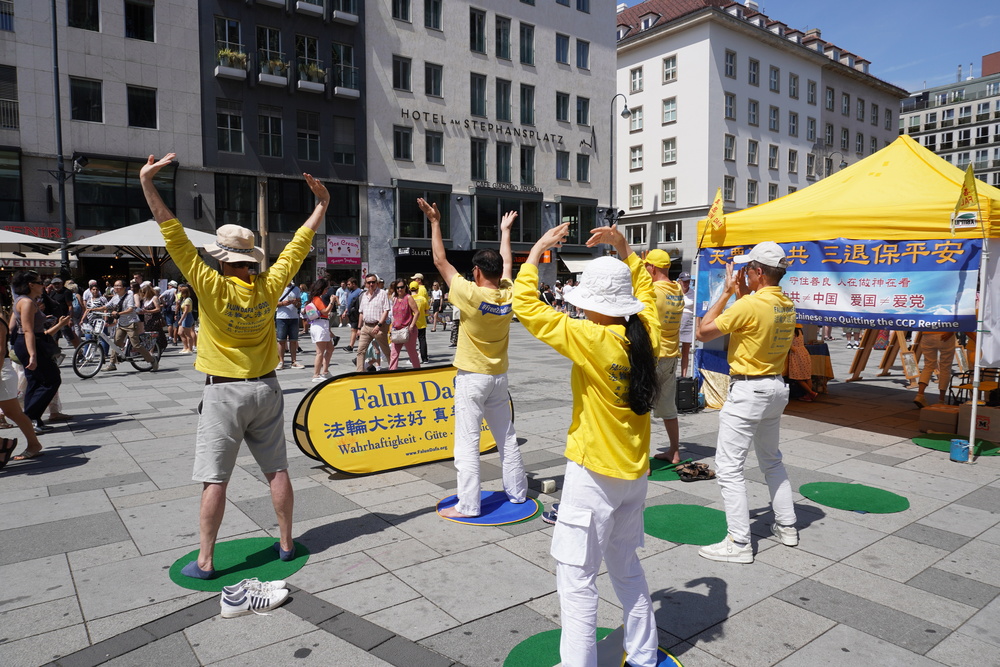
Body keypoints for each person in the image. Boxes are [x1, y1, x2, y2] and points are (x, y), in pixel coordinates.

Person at [141, 153, 328, 595]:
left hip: (223, 394)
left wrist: (149, 182)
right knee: (277, 470)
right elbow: (298, 245)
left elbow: (172, 233)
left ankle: (206, 560)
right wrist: (321, 204)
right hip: (266, 388)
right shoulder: (269, 284)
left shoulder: (209, 284)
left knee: (215, 478)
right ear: (250, 260)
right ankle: (285, 543)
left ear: (222, 259)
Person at [513, 221, 660, 667]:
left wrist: (539, 248)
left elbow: (525, 305)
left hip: (593, 473)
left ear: (591, 301)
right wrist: (626, 250)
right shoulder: (644, 333)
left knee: (576, 578)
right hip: (634, 473)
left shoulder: (591, 337)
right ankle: (644, 654)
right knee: (626, 567)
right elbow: (649, 298)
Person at [419, 198, 526, 518]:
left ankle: (469, 504)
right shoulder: (508, 292)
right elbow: (507, 263)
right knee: (506, 437)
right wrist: (506, 232)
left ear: (476, 271)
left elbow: (440, 261)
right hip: (498, 377)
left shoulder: (470, 293)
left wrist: (435, 222)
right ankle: (518, 493)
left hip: (471, 378)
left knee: (467, 442)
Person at [696, 241, 798, 564]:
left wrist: (726, 292)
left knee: (728, 467)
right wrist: (742, 294)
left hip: (748, 391)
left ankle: (739, 542)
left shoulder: (749, 305)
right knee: (772, 461)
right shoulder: (785, 303)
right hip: (775, 388)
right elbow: (754, 321)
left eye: (748, 270)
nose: (744, 275)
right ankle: (788, 526)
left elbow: (703, 331)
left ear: (757, 272)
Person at [11, 270, 72, 434]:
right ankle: (29, 417)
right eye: (40, 282)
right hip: (30, 343)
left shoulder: (21, 301)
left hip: (27, 342)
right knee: (52, 379)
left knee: (35, 381)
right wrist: (32, 354)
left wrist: (52, 323)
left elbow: (13, 328)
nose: (43, 285)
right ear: (31, 285)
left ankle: (34, 419)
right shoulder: (27, 302)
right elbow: (28, 331)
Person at [644, 249, 684, 464]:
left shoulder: (653, 291)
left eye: (646, 267)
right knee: (668, 407)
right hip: (671, 355)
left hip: (651, 354)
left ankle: (643, 460)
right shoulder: (677, 289)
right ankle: (675, 451)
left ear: (652, 267)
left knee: (642, 407)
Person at [0, 287, 46, 464]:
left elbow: (0, 350)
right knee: (14, 413)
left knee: (14, 413)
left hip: (2, 372)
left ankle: (27, 444)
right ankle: (6, 445)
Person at [101, 280, 158, 373]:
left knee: (136, 345)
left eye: (118, 286)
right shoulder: (115, 297)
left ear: (124, 288)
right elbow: (107, 306)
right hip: (121, 324)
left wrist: (118, 313)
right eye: (115, 286)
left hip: (131, 323)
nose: (116, 288)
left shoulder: (130, 296)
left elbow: (131, 309)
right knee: (116, 343)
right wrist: (92, 309)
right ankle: (112, 364)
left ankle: (152, 360)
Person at [355, 273, 391, 372]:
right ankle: (360, 372)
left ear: (377, 283)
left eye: (373, 282)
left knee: (386, 350)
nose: (371, 284)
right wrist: (359, 328)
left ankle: (393, 369)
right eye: (369, 282)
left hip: (378, 326)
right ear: (365, 284)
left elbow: (386, 310)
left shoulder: (382, 293)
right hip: (366, 327)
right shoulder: (364, 295)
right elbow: (361, 312)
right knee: (360, 351)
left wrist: (379, 325)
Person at [913, 332, 957, 407]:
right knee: (945, 367)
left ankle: (920, 394)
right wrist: (952, 331)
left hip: (927, 334)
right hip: (946, 333)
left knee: (928, 365)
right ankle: (941, 400)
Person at [307, 278, 337, 381]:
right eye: (326, 288)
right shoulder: (317, 299)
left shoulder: (316, 298)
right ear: (322, 288)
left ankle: (325, 371)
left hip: (322, 325)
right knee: (320, 352)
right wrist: (332, 302)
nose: (327, 290)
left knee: (330, 348)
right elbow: (325, 311)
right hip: (320, 325)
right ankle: (316, 374)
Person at [388, 280, 420, 370]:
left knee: (412, 353)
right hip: (396, 330)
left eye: (401, 287)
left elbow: (417, 312)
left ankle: (418, 371)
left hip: (408, 330)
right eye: (398, 288)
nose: (400, 289)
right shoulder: (394, 299)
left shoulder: (408, 297)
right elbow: (393, 315)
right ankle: (392, 373)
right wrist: (391, 328)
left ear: (405, 287)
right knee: (394, 354)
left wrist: (412, 326)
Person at [274, 282, 303, 370]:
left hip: (294, 317)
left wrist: (295, 303)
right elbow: (273, 303)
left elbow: (299, 304)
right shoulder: (278, 288)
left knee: (293, 340)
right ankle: (281, 361)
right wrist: (283, 303)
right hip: (281, 317)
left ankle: (294, 361)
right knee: (281, 340)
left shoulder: (296, 289)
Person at [787, 325, 817, 402]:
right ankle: (809, 395)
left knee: (798, 377)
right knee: (807, 376)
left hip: (796, 355)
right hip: (804, 352)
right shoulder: (800, 331)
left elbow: (789, 345)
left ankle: (811, 393)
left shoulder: (791, 332)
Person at [677, 272, 694, 377]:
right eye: (684, 281)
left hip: (688, 322)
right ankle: (671, 374)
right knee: (673, 350)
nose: (686, 283)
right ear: (680, 281)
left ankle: (684, 375)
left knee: (685, 352)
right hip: (676, 321)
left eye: (688, 281)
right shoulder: (675, 291)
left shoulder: (693, 293)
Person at [342, 277, 363, 352]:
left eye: (349, 284)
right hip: (351, 313)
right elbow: (349, 304)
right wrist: (345, 311)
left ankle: (351, 346)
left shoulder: (359, 292)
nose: (347, 286)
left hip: (356, 314)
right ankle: (358, 346)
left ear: (354, 284)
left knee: (354, 330)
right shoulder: (350, 292)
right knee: (355, 330)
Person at [411, 281, 430, 363]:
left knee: (412, 342)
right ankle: (424, 358)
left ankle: (413, 359)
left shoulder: (408, 299)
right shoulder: (423, 299)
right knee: (422, 340)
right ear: (418, 289)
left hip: (412, 323)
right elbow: (427, 311)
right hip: (422, 323)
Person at [177, 284, 197, 353]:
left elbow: (186, 311)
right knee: (180, 332)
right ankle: (186, 347)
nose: (180, 293)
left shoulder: (188, 300)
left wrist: (180, 320)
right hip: (184, 316)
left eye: (181, 292)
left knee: (187, 333)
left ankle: (190, 348)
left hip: (187, 316)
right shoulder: (184, 299)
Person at [161, 280, 179, 345]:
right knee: (175, 323)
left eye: (169, 285)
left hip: (169, 307)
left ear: (171, 285)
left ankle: (170, 336)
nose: (168, 286)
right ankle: (175, 337)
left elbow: (160, 297)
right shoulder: (177, 291)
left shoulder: (167, 291)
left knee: (169, 323)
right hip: (176, 307)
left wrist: (164, 303)